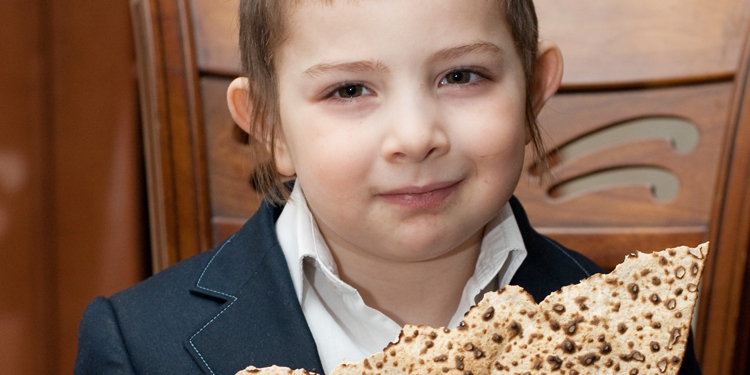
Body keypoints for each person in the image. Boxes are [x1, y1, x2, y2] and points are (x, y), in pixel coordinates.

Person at [74, 0, 702, 374]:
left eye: (462, 75)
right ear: (269, 126)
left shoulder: (648, 340)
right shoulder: (138, 346)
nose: (414, 136)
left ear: (535, 91)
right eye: (349, 90)